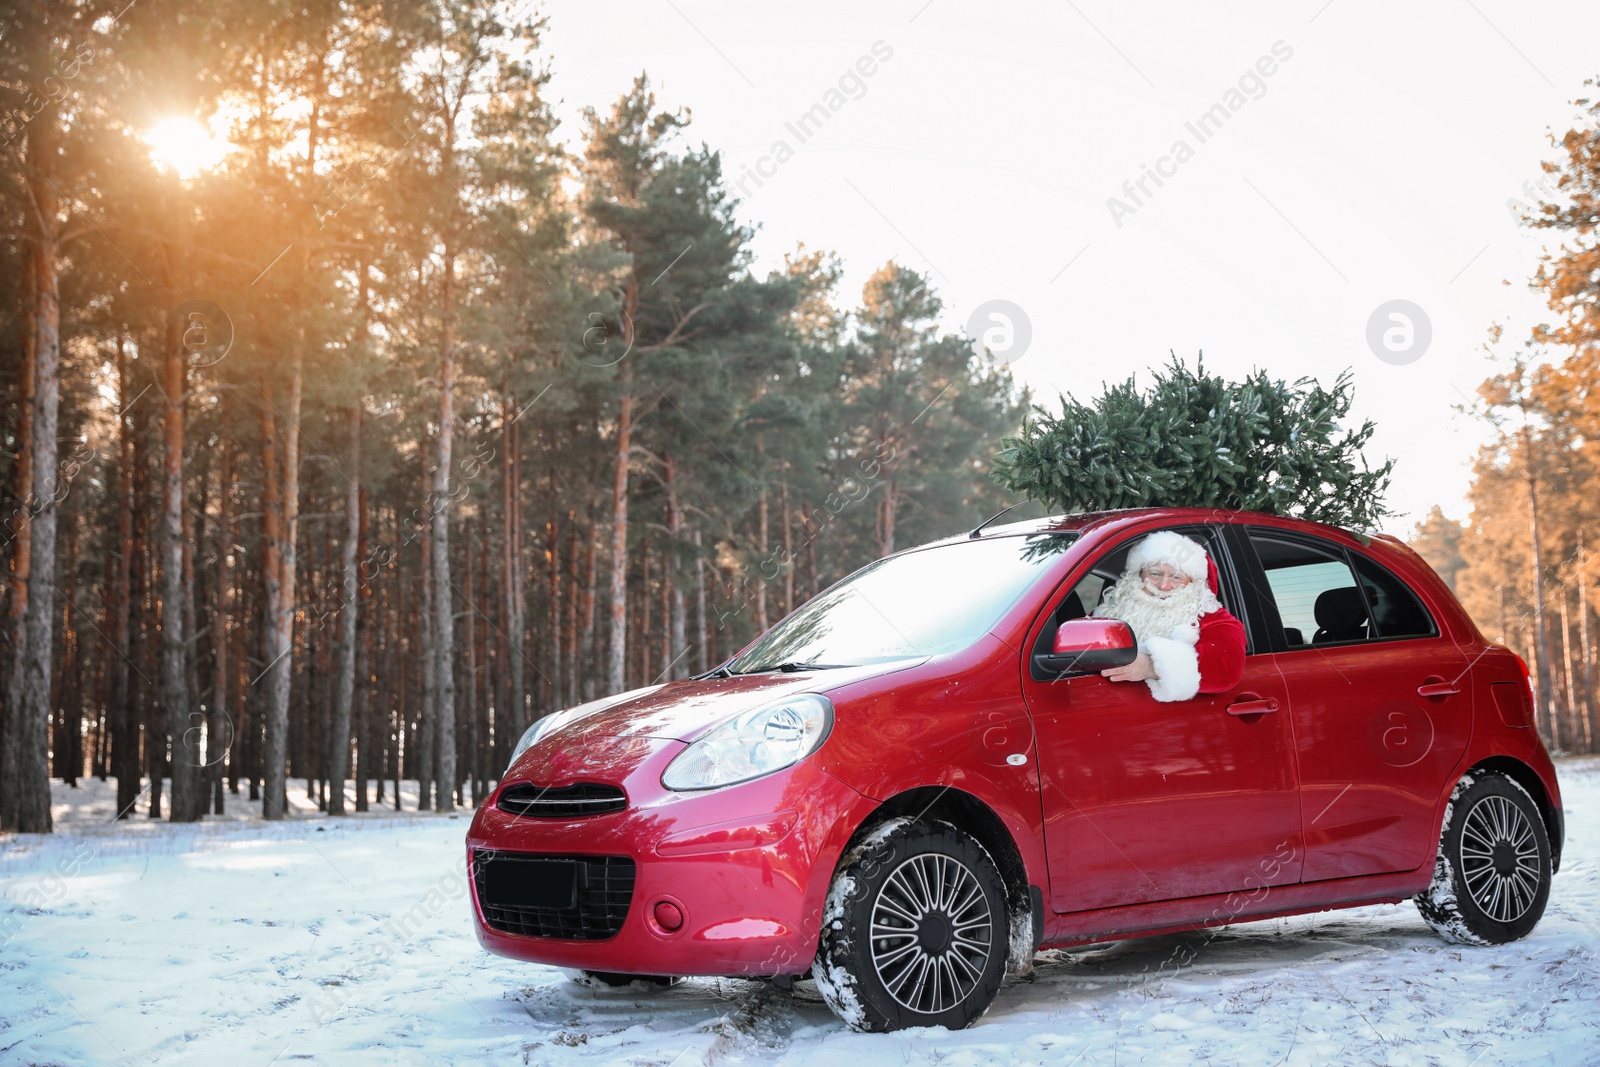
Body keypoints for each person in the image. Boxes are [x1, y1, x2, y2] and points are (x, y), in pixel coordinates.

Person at [1092, 530, 1246, 701]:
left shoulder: (1213, 618)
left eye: (1176, 577)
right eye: (1155, 574)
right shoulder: (1108, 611)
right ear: (1139, 575)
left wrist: (1152, 666)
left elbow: (1226, 668)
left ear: (1193, 583)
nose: (1164, 586)